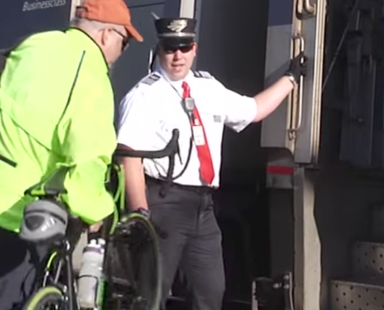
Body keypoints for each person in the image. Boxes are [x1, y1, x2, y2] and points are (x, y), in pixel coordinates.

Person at [0, 0, 143, 310]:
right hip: (17, 212)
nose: (121, 52)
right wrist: (96, 211)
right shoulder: (91, 75)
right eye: (124, 42)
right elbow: (89, 155)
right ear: (105, 34)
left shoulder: (36, 45)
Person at [115, 17, 306, 310]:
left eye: (184, 47)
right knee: (151, 296)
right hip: (164, 204)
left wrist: (290, 79)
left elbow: (252, 111)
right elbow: (130, 156)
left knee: (211, 293)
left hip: (203, 209)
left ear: (194, 49)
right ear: (159, 50)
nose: (177, 56)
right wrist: (141, 213)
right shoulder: (144, 95)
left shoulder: (208, 87)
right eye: (170, 48)